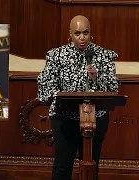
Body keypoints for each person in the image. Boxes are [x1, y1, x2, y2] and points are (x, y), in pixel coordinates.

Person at [37, 15, 119, 180]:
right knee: (62, 165)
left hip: (95, 118)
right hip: (64, 117)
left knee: (91, 163)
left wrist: (98, 78)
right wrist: (60, 97)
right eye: (77, 33)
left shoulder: (103, 55)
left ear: (91, 33)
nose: (82, 37)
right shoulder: (56, 56)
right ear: (70, 34)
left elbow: (113, 89)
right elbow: (44, 87)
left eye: (86, 33)